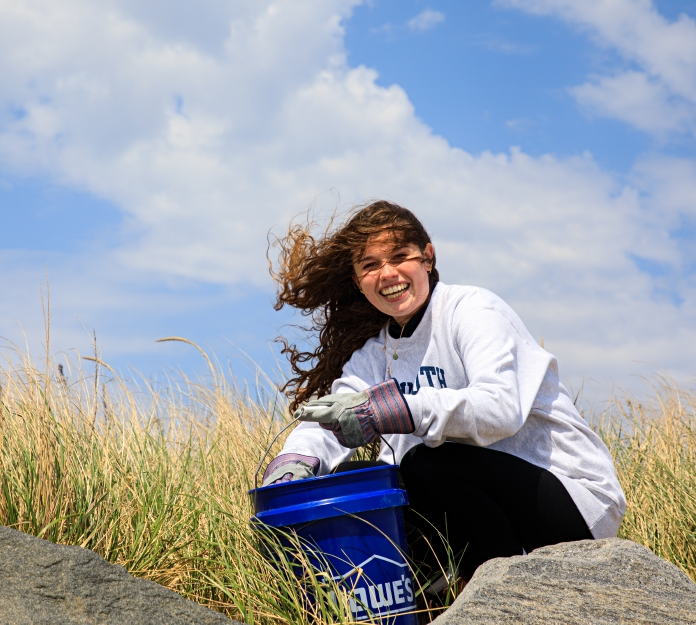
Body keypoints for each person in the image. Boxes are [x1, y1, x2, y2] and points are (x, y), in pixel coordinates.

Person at [262, 200, 625, 588]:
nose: (388, 274)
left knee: (426, 465)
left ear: (428, 258)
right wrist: (292, 466)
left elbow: (500, 409)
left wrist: (397, 409)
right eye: (370, 265)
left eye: (400, 256)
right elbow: (330, 420)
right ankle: (440, 589)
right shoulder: (374, 354)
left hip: (571, 498)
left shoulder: (473, 310)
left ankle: (500, 594)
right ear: (357, 280)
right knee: (354, 482)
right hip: (478, 507)